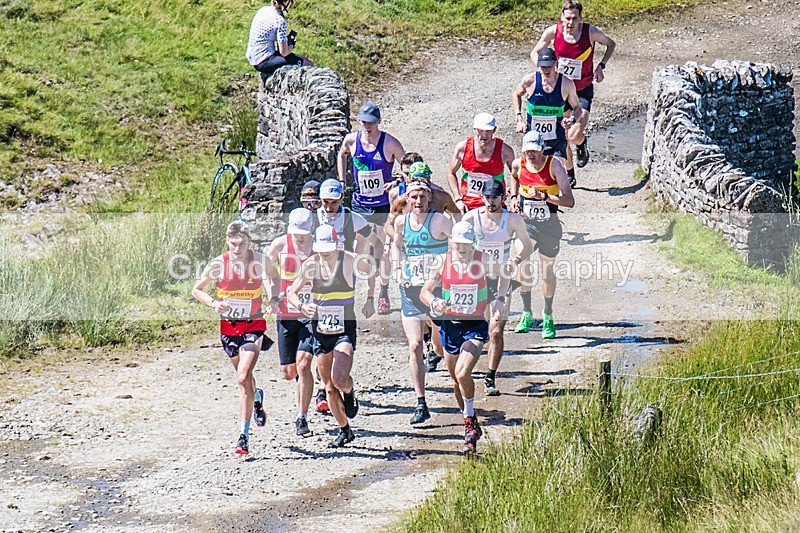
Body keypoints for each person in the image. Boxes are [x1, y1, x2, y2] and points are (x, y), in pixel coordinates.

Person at [420, 221, 509, 454]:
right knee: (456, 380)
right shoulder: (443, 261)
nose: (463, 249)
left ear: (473, 244)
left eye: (467, 245)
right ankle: (470, 424)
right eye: (459, 245)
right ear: (452, 242)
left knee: (463, 373)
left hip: (474, 326)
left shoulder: (483, 259)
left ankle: (469, 422)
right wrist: (434, 301)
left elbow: (506, 272)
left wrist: (499, 298)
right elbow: (424, 291)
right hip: (450, 326)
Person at [192, 221, 275, 456]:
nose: (238, 248)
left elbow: (274, 278)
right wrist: (214, 303)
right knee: (246, 380)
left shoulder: (259, 261)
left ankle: (243, 436)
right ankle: (257, 398)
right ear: (227, 241)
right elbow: (197, 289)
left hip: (254, 326)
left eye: (243, 243)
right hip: (229, 330)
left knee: (241, 378)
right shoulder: (219, 264)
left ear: (250, 242)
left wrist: (274, 298)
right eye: (234, 243)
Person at [287, 224, 374, 448]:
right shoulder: (311, 265)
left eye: (328, 250)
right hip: (320, 331)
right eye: (321, 250)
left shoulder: (349, 260)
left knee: (339, 379)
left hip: (344, 329)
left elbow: (374, 270)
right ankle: (345, 429)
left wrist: (372, 297)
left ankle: (350, 390)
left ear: (337, 245)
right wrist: (302, 307)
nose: (324, 255)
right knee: (328, 386)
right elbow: (292, 293)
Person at [461, 180, 533, 396]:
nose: (491, 202)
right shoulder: (471, 218)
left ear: (503, 197)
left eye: (495, 197)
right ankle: (466, 366)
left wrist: (516, 259)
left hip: (501, 278)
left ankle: (490, 376)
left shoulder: (512, 219)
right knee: (480, 328)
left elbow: (528, 245)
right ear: (482, 197)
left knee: (496, 331)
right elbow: (455, 242)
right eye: (487, 197)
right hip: (477, 280)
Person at [391, 179, 452, 425]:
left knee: (439, 347)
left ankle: (438, 354)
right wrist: (397, 267)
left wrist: (444, 265)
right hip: (411, 291)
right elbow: (395, 246)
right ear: (407, 199)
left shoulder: (438, 221)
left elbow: (459, 244)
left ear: (430, 199)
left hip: (436, 292)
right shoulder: (400, 222)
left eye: (423, 198)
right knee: (415, 345)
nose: (418, 202)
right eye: (414, 197)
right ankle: (421, 402)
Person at [530, 0, 616, 171]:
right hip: (561, 92)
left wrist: (601, 66)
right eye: (567, 18)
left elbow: (610, 44)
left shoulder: (590, 32)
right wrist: (543, 71)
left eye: (574, 18)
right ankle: (569, 172)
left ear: (580, 18)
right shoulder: (554, 31)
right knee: (563, 136)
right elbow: (535, 52)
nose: (570, 23)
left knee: (574, 134)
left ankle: (582, 142)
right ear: (562, 17)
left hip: (582, 90)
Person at [338, 101, 405, 316]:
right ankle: (367, 291)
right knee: (361, 248)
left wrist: (395, 183)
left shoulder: (390, 143)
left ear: (379, 122)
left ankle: (383, 291)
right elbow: (342, 154)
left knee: (382, 251)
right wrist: (342, 181)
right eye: (364, 122)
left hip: (383, 206)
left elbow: (407, 169)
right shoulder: (351, 140)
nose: (367, 126)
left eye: (371, 123)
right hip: (360, 204)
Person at [509, 131, 575, 338]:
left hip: (550, 225)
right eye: (528, 151)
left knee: (546, 270)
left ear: (542, 149)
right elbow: (513, 177)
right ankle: (526, 312)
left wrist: (545, 197)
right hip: (527, 224)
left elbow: (569, 201)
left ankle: (547, 314)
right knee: (522, 261)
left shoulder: (555, 166)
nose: (531, 155)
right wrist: (513, 196)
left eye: (535, 151)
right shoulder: (518, 164)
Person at [264, 208, 316, 437]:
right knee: (289, 371)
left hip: (311, 313)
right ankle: (304, 383)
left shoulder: (319, 245)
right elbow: (265, 270)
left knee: (304, 365)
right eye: (297, 233)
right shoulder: (280, 245)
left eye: (304, 232)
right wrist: (271, 295)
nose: (300, 237)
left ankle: (302, 417)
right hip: (286, 313)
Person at [513, 48, 584, 188]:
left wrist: (572, 120)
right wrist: (519, 118)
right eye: (543, 67)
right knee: (535, 174)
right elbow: (516, 95)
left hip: (556, 137)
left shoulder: (566, 84)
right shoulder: (530, 81)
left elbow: (578, 108)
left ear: (556, 65)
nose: (546, 70)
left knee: (554, 172)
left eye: (549, 67)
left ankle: (554, 200)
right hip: (533, 137)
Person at [446, 113, 516, 213]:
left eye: (488, 131)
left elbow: (517, 175)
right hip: (468, 205)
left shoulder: (505, 151)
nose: (484, 135)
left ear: (494, 130)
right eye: (481, 131)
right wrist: (457, 199)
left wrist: (514, 197)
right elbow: (450, 172)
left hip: (495, 205)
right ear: (474, 129)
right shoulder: (463, 148)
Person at [246, 0, 313, 84]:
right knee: (308, 63)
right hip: (264, 61)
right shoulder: (280, 21)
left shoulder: (263, 10)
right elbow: (284, 53)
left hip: (253, 56)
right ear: (286, 2)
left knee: (300, 59)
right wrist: (291, 45)